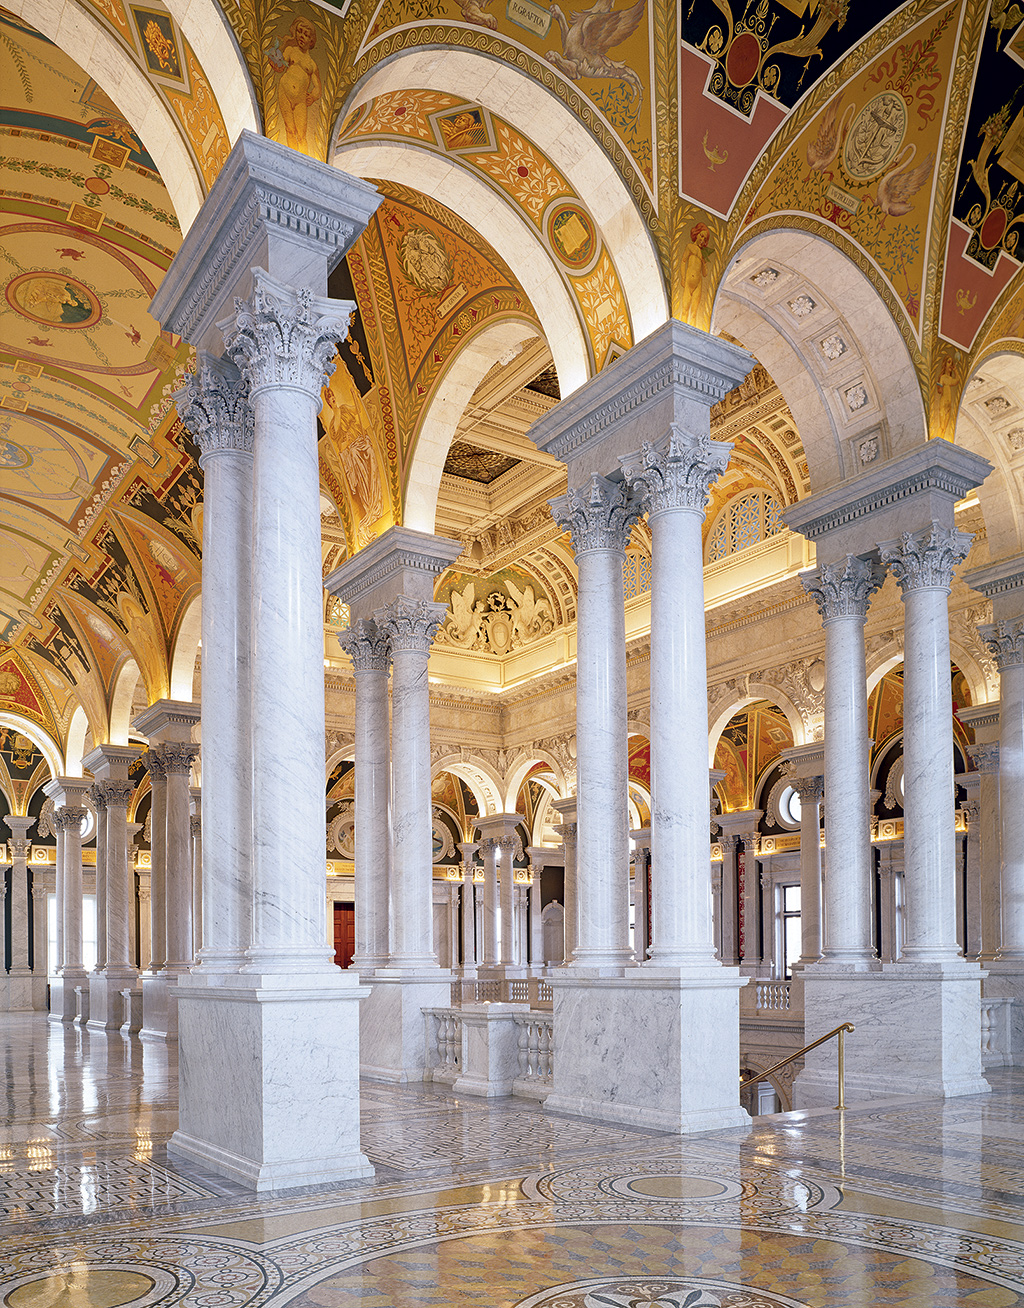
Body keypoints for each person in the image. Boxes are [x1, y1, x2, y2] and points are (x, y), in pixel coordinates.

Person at [277, 17, 321, 152]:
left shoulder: (312, 64)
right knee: (289, 129)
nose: (302, 36)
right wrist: (283, 45)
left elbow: (318, 87)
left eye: (306, 35)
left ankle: (302, 163)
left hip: (300, 99)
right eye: (300, 32)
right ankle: (289, 159)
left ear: (311, 41)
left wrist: (313, 97)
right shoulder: (291, 50)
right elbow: (279, 66)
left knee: (302, 134)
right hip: (285, 90)